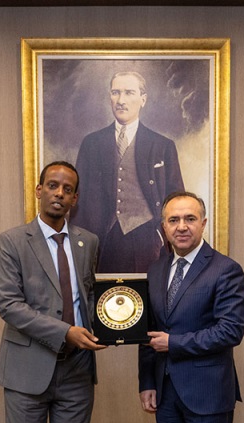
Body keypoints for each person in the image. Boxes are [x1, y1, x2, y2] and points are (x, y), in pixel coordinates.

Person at [0, 161, 106, 423]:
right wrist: (64, 332)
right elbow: (9, 305)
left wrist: (111, 328)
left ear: (75, 199)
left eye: (67, 189)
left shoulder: (89, 242)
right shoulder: (12, 241)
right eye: (53, 186)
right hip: (27, 372)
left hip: (77, 371)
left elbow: (88, 295)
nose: (59, 193)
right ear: (39, 190)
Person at [138, 191, 244, 423]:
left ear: (203, 223)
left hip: (207, 393)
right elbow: (149, 331)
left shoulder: (225, 269)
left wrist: (174, 343)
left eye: (190, 218)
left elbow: (230, 331)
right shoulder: (156, 270)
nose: (182, 226)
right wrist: (147, 382)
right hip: (165, 394)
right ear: (164, 226)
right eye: (174, 220)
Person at [72, 71, 185, 273]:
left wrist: (165, 238)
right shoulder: (91, 143)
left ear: (143, 99)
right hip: (101, 241)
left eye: (129, 92)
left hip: (147, 242)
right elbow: (78, 201)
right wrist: (79, 246)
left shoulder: (162, 146)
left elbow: (178, 201)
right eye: (115, 92)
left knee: (148, 293)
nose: (121, 100)